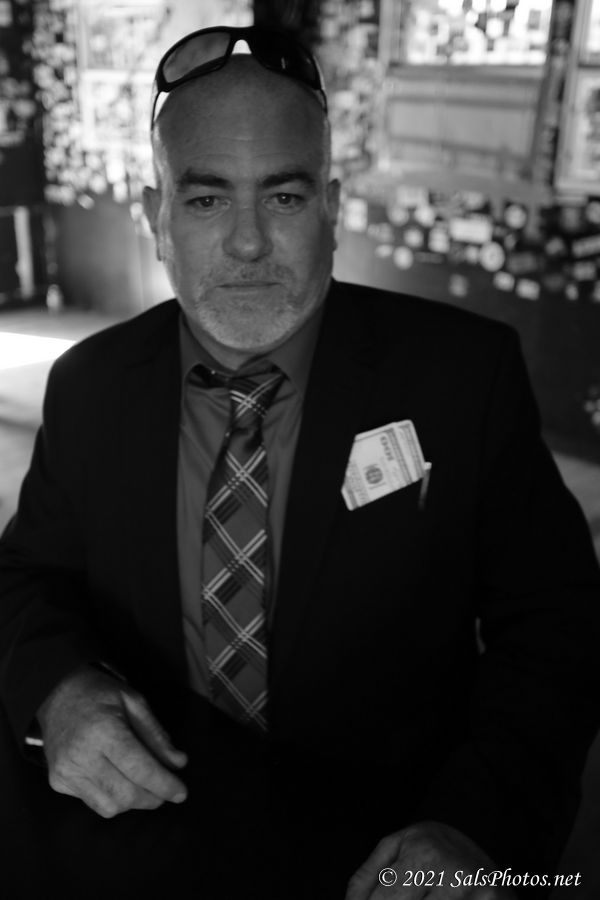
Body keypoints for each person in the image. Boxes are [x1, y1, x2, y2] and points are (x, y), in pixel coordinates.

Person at [1, 24, 599, 900]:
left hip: (387, 849)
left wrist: (476, 821)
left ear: (332, 206)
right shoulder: (89, 384)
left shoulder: (463, 376)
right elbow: (28, 574)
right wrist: (56, 688)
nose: (247, 244)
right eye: (206, 200)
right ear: (156, 217)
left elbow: (556, 623)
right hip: (146, 830)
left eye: (283, 197)